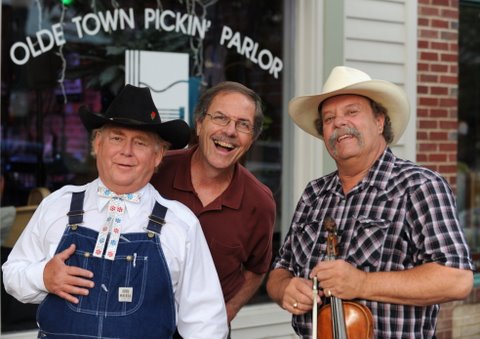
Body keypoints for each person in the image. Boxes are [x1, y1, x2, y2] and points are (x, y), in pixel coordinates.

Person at [2, 84, 229, 339]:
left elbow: (206, 324)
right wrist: (43, 276)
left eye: (140, 142)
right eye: (117, 138)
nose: (126, 151)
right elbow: (11, 275)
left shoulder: (179, 223)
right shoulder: (59, 206)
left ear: (158, 156)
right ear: (97, 144)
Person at [266, 66, 475, 338]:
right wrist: (284, 288)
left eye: (352, 112)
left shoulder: (419, 186)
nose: (339, 122)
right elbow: (280, 269)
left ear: (380, 122)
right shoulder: (314, 193)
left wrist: (361, 283)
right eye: (329, 118)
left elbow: (457, 279)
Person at [151, 81, 276, 326]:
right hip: (143, 326)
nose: (230, 131)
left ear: (252, 139)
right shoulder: (156, 171)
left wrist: (226, 313)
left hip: (207, 330)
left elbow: (257, 269)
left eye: (243, 125)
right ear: (199, 124)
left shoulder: (259, 202)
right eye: (220, 118)